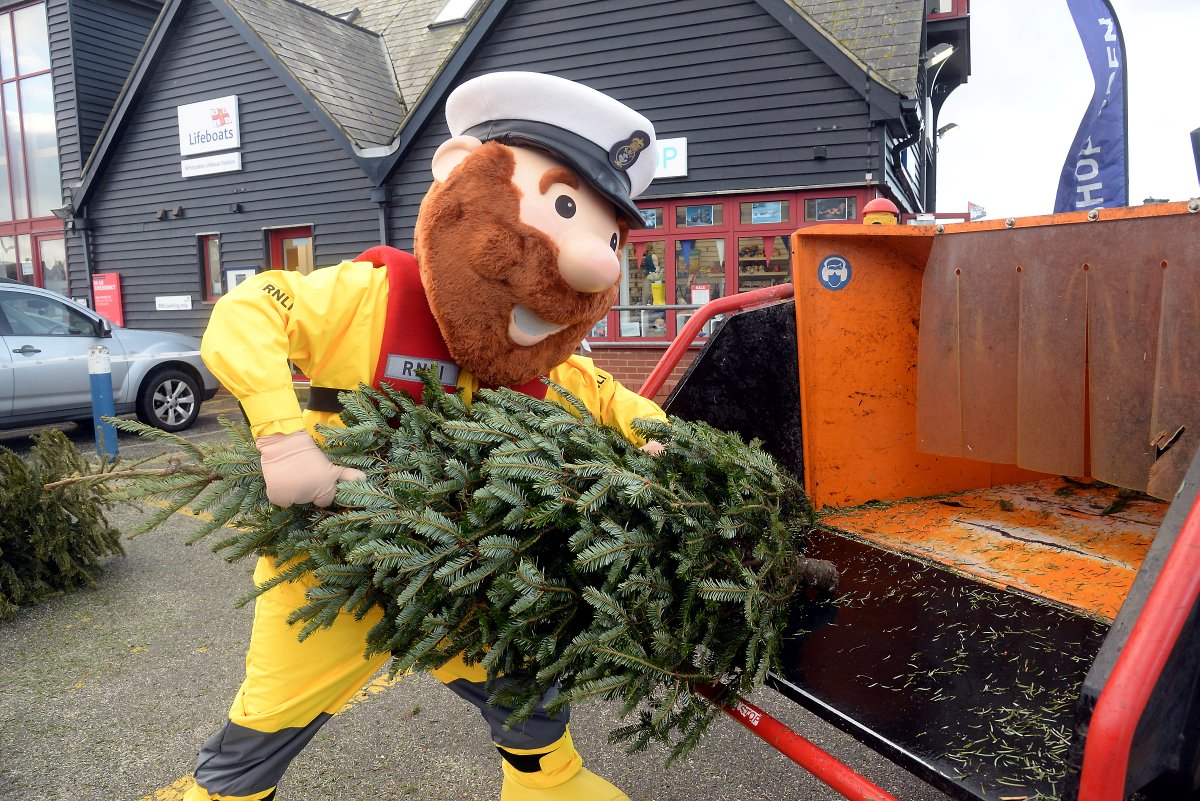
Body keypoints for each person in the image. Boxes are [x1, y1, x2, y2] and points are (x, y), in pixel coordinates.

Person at [190, 72, 665, 801]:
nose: (596, 261)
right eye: (565, 208)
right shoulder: (372, 298)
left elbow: (606, 396)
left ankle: (550, 787)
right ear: (460, 173)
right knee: (268, 721)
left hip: (461, 575)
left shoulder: (540, 362)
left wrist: (665, 443)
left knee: (524, 685)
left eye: (609, 237)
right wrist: (283, 441)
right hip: (333, 570)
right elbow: (251, 310)